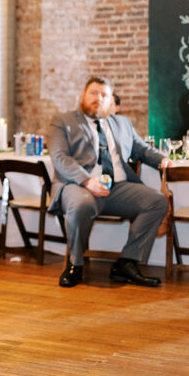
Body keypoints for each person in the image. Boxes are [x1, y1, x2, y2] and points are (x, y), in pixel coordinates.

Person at [48, 76, 172, 288]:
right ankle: (74, 265)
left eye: (104, 95)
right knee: (81, 205)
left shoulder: (121, 123)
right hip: (79, 186)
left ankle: (126, 263)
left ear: (111, 101)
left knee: (157, 202)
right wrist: (87, 181)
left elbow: (141, 149)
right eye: (93, 93)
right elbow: (60, 157)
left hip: (118, 188)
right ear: (82, 96)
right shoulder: (63, 121)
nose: (98, 98)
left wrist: (162, 159)